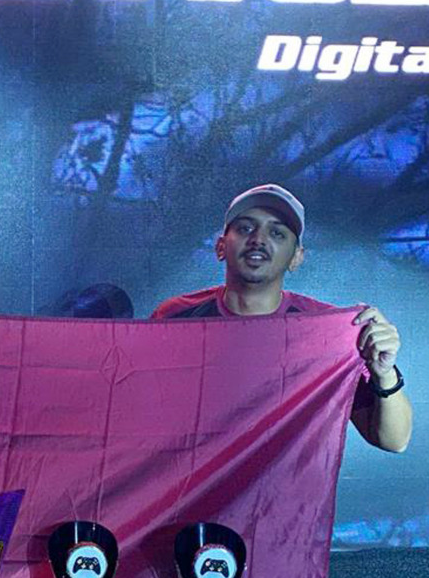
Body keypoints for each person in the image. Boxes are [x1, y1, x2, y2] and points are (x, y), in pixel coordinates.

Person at [152, 183, 412, 453]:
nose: (259, 239)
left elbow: (394, 440)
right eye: (245, 228)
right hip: (195, 493)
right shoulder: (175, 318)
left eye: (277, 233)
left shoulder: (325, 333)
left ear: (296, 258)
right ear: (220, 247)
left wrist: (384, 373)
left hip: (284, 495)